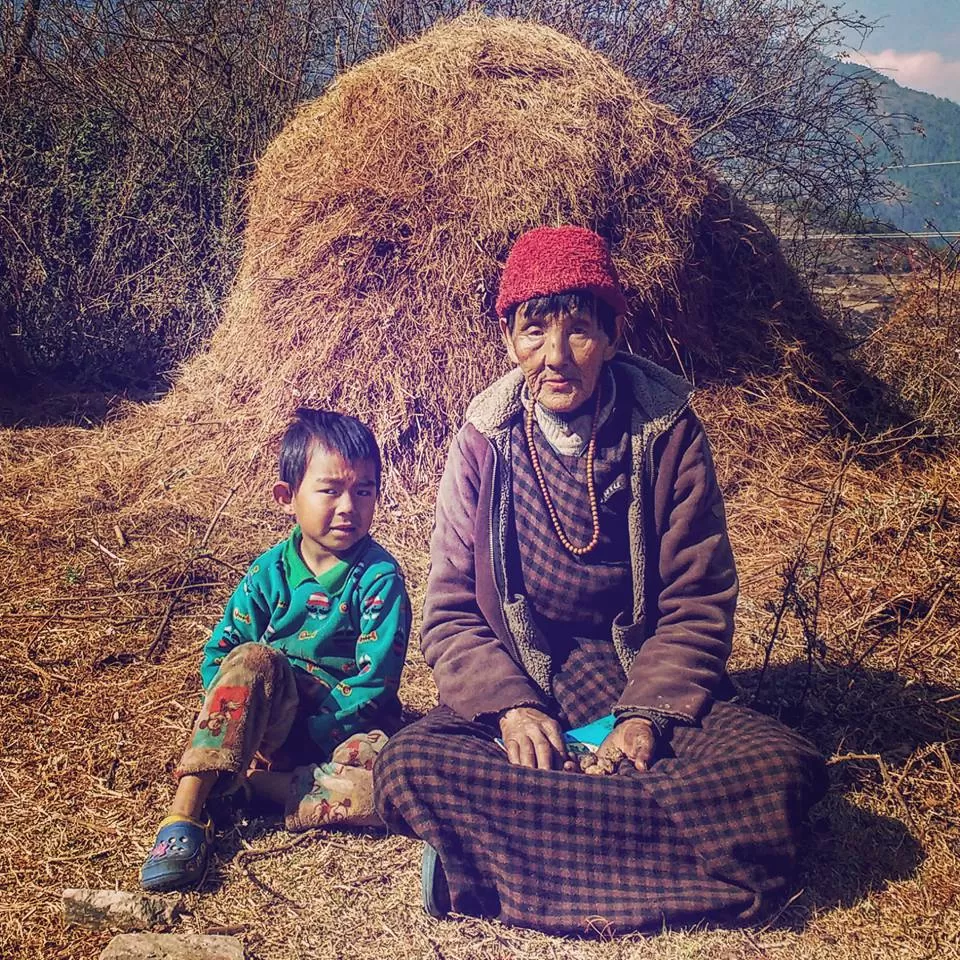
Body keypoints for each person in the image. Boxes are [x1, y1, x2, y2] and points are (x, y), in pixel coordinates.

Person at [374, 226, 826, 934]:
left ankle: (488, 867)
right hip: (530, 679)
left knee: (779, 771)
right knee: (410, 762)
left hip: (639, 677)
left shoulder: (667, 432)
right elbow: (452, 612)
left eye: (579, 331)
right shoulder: (482, 442)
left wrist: (644, 716)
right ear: (508, 339)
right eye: (533, 332)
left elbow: (695, 601)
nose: (555, 358)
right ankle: (689, 869)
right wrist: (513, 712)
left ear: (614, 335)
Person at [140, 409, 410, 892]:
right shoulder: (268, 573)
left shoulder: (378, 578)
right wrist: (244, 720)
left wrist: (308, 738)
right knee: (251, 658)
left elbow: (375, 682)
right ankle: (186, 810)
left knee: (392, 787)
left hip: (342, 730)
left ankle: (245, 790)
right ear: (288, 498)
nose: (348, 506)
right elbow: (219, 655)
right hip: (271, 713)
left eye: (364, 490)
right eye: (330, 490)